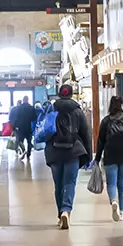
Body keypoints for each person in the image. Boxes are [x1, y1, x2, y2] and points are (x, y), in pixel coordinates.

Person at [42, 82, 92, 229]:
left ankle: (60, 214)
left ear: (59, 93)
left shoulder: (51, 109)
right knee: (69, 183)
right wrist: (88, 156)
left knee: (58, 184)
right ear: (71, 94)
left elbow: (45, 129)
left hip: (54, 151)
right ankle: (66, 210)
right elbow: (86, 134)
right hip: (73, 152)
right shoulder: (78, 111)